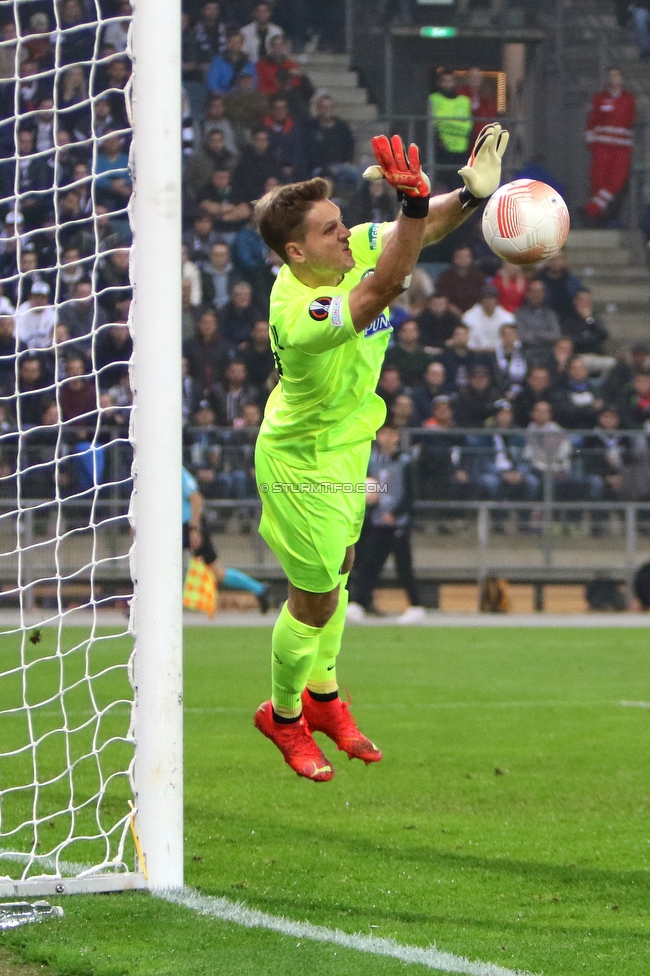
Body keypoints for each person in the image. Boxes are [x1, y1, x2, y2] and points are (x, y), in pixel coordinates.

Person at [251, 125, 509, 780]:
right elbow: (384, 289)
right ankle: (283, 717)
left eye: (344, 224)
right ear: (295, 250)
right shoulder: (299, 310)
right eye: (331, 230)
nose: (347, 234)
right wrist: (414, 205)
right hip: (300, 462)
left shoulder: (344, 253)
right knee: (314, 601)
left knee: (339, 574)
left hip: (344, 447)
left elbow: (413, 236)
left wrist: (469, 197)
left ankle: (326, 700)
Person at [348, 425, 423, 621]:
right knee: (368, 564)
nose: (387, 438)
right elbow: (368, 487)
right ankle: (359, 603)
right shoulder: (371, 460)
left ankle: (415, 605)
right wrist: (369, 503)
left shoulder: (405, 462)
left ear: (397, 437)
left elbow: (409, 493)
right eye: (383, 434)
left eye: (391, 434)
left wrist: (396, 513)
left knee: (403, 565)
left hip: (398, 522)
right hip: (377, 520)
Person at [182, 465, 269, 612]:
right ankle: (259, 589)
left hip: (188, 525)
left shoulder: (176, 471)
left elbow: (196, 498)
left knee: (216, 571)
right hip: (177, 527)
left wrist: (194, 528)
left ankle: (259, 589)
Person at [583, 67, 635, 223]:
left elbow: (630, 120)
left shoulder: (628, 99)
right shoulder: (600, 98)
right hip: (602, 147)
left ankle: (594, 208)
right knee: (598, 179)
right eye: (611, 75)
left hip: (621, 148)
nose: (613, 79)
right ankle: (596, 212)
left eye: (616, 75)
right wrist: (592, 142)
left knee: (617, 179)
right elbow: (593, 120)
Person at [429, 70, 473, 189]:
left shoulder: (464, 101)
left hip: (462, 149)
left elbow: (468, 126)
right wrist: (457, 125)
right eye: (444, 80)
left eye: (450, 80)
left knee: (460, 185)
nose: (448, 83)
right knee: (444, 185)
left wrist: (445, 123)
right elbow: (434, 123)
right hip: (441, 148)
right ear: (439, 83)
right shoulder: (433, 99)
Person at [514, 279, 561, 361]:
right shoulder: (519, 314)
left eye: (540, 291)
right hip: (526, 352)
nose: (537, 294)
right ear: (527, 294)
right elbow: (522, 336)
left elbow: (555, 335)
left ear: (544, 294)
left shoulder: (551, 314)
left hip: (548, 353)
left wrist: (534, 333)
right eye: (534, 291)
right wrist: (544, 334)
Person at [435, 245, 486, 317]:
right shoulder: (445, 276)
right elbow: (441, 297)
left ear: (471, 258)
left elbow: (483, 296)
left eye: (466, 257)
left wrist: (470, 314)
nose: (463, 260)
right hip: (451, 313)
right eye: (460, 257)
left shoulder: (479, 276)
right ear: (455, 258)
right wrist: (456, 312)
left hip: (475, 313)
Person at [462, 283, 515, 351]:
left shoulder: (507, 317)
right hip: (476, 353)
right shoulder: (469, 316)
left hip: (500, 353)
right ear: (481, 300)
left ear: (496, 300)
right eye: (486, 299)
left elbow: (513, 339)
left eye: (491, 299)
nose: (488, 302)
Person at [535, 252, 583, 320]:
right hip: (544, 319)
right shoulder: (539, 281)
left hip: (569, 319)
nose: (556, 263)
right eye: (553, 260)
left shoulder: (573, 281)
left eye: (559, 259)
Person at [384, 319, 433, 386]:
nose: (410, 334)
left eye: (412, 330)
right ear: (400, 333)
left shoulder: (423, 355)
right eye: (406, 331)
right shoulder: (391, 354)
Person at [560, 289, 609, 355]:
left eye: (588, 300)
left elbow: (603, 334)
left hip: (595, 353)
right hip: (576, 354)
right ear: (576, 301)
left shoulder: (594, 318)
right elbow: (570, 339)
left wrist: (589, 319)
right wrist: (590, 340)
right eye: (583, 300)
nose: (586, 303)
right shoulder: (568, 318)